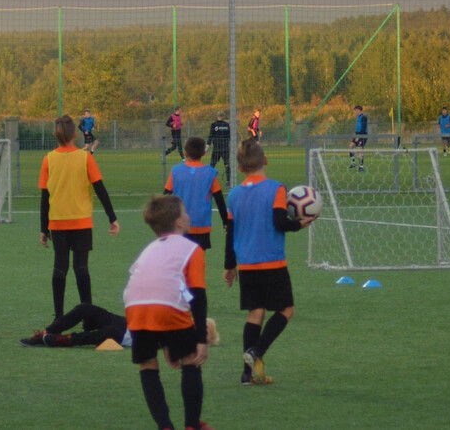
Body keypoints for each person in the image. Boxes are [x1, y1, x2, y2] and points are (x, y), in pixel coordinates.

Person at [224, 138, 312, 386]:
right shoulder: (277, 189)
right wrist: (299, 224)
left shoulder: (235, 194)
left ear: (240, 168)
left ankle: (247, 374)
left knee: (255, 313)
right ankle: (257, 351)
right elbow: (279, 222)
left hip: (247, 265)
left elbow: (231, 231)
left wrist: (229, 266)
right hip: (272, 262)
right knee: (286, 310)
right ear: (266, 160)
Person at [125, 195, 211, 430]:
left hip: (134, 307)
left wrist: (166, 341)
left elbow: (160, 284)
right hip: (167, 308)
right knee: (191, 360)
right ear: (179, 223)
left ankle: (164, 426)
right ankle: (192, 425)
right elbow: (197, 296)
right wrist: (200, 339)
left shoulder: (149, 249)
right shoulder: (191, 249)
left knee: (147, 365)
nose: (188, 216)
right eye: (185, 212)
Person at [38, 115, 120, 318]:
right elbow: (100, 189)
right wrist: (112, 217)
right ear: (75, 135)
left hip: (57, 223)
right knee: (81, 267)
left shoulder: (48, 159)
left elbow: (44, 197)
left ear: (55, 136)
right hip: (81, 222)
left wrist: (43, 228)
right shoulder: (86, 158)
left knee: (60, 268)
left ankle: (58, 318)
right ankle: (89, 318)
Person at [164, 137, 228, 252]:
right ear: (203, 153)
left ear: (185, 153)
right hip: (201, 226)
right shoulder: (210, 173)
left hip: (179, 225)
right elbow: (219, 199)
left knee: (180, 261)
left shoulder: (175, 171)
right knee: (197, 260)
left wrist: (164, 221)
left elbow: (165, 197)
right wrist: (225, 221)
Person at [19, 302, 129, 348]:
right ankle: (48, 332)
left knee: (109, 333)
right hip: (122, 321)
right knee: (85, 308)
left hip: (122, 335)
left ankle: (57, 339)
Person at [206, 111, 232, 184]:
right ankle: (228, 181)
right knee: (227, 164)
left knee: (212, 164)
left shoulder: (214, 125)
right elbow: (229, 136)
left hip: (217, 147)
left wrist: (207, 146)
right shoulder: (226, 125)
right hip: (225, 148)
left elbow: (210, 136)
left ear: (217, 116)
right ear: (223, 116)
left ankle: (209, 179)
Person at [349, 105, 368, 171]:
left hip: (363, 135)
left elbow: (363, 128)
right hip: (357, 134)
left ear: (359, 110)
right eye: (355, 110)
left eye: (356, 110)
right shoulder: (358, 117)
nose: (355, 112)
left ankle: (361, 166)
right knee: (351, 146)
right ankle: (353, 162)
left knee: (360, 150)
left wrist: (359, 137)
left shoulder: (364, 117)